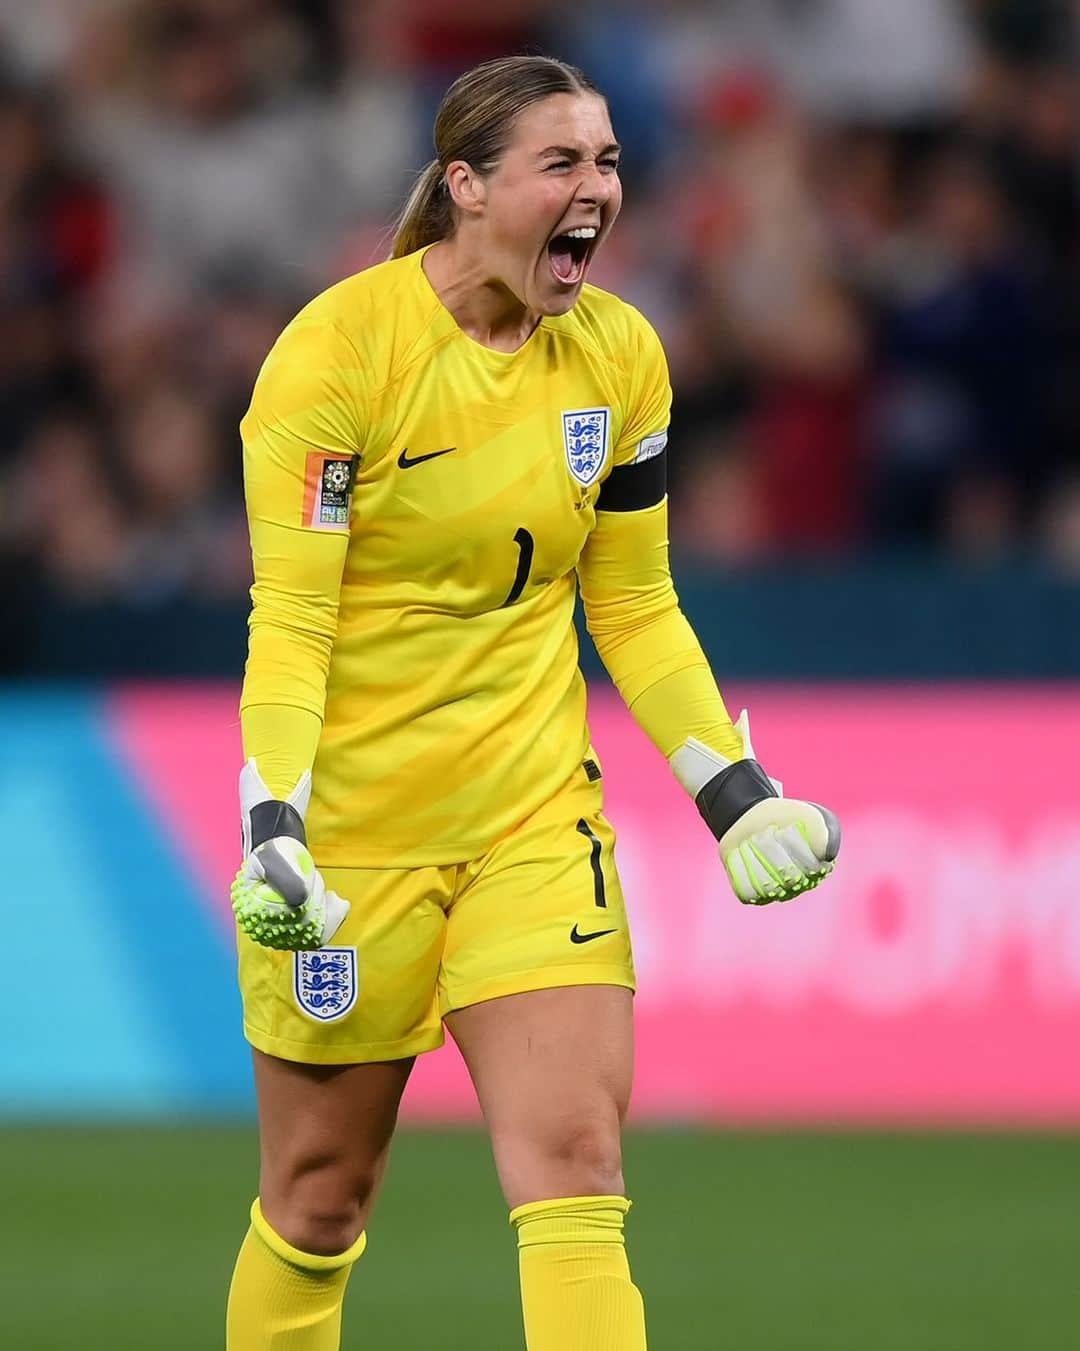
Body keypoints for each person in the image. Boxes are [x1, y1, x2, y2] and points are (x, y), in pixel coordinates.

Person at [226, 54, 839, 1351]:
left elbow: (633, 602)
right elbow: (293, 616)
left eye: (609, 162)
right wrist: (271, 815)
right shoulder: (337, 356)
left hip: (530, 823)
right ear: (465, 186)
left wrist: (733, 788)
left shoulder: (619, 358)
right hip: (350, 842)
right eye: (561, 164)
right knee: (319, 1199)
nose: (598, 191)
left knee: (576, 1154)